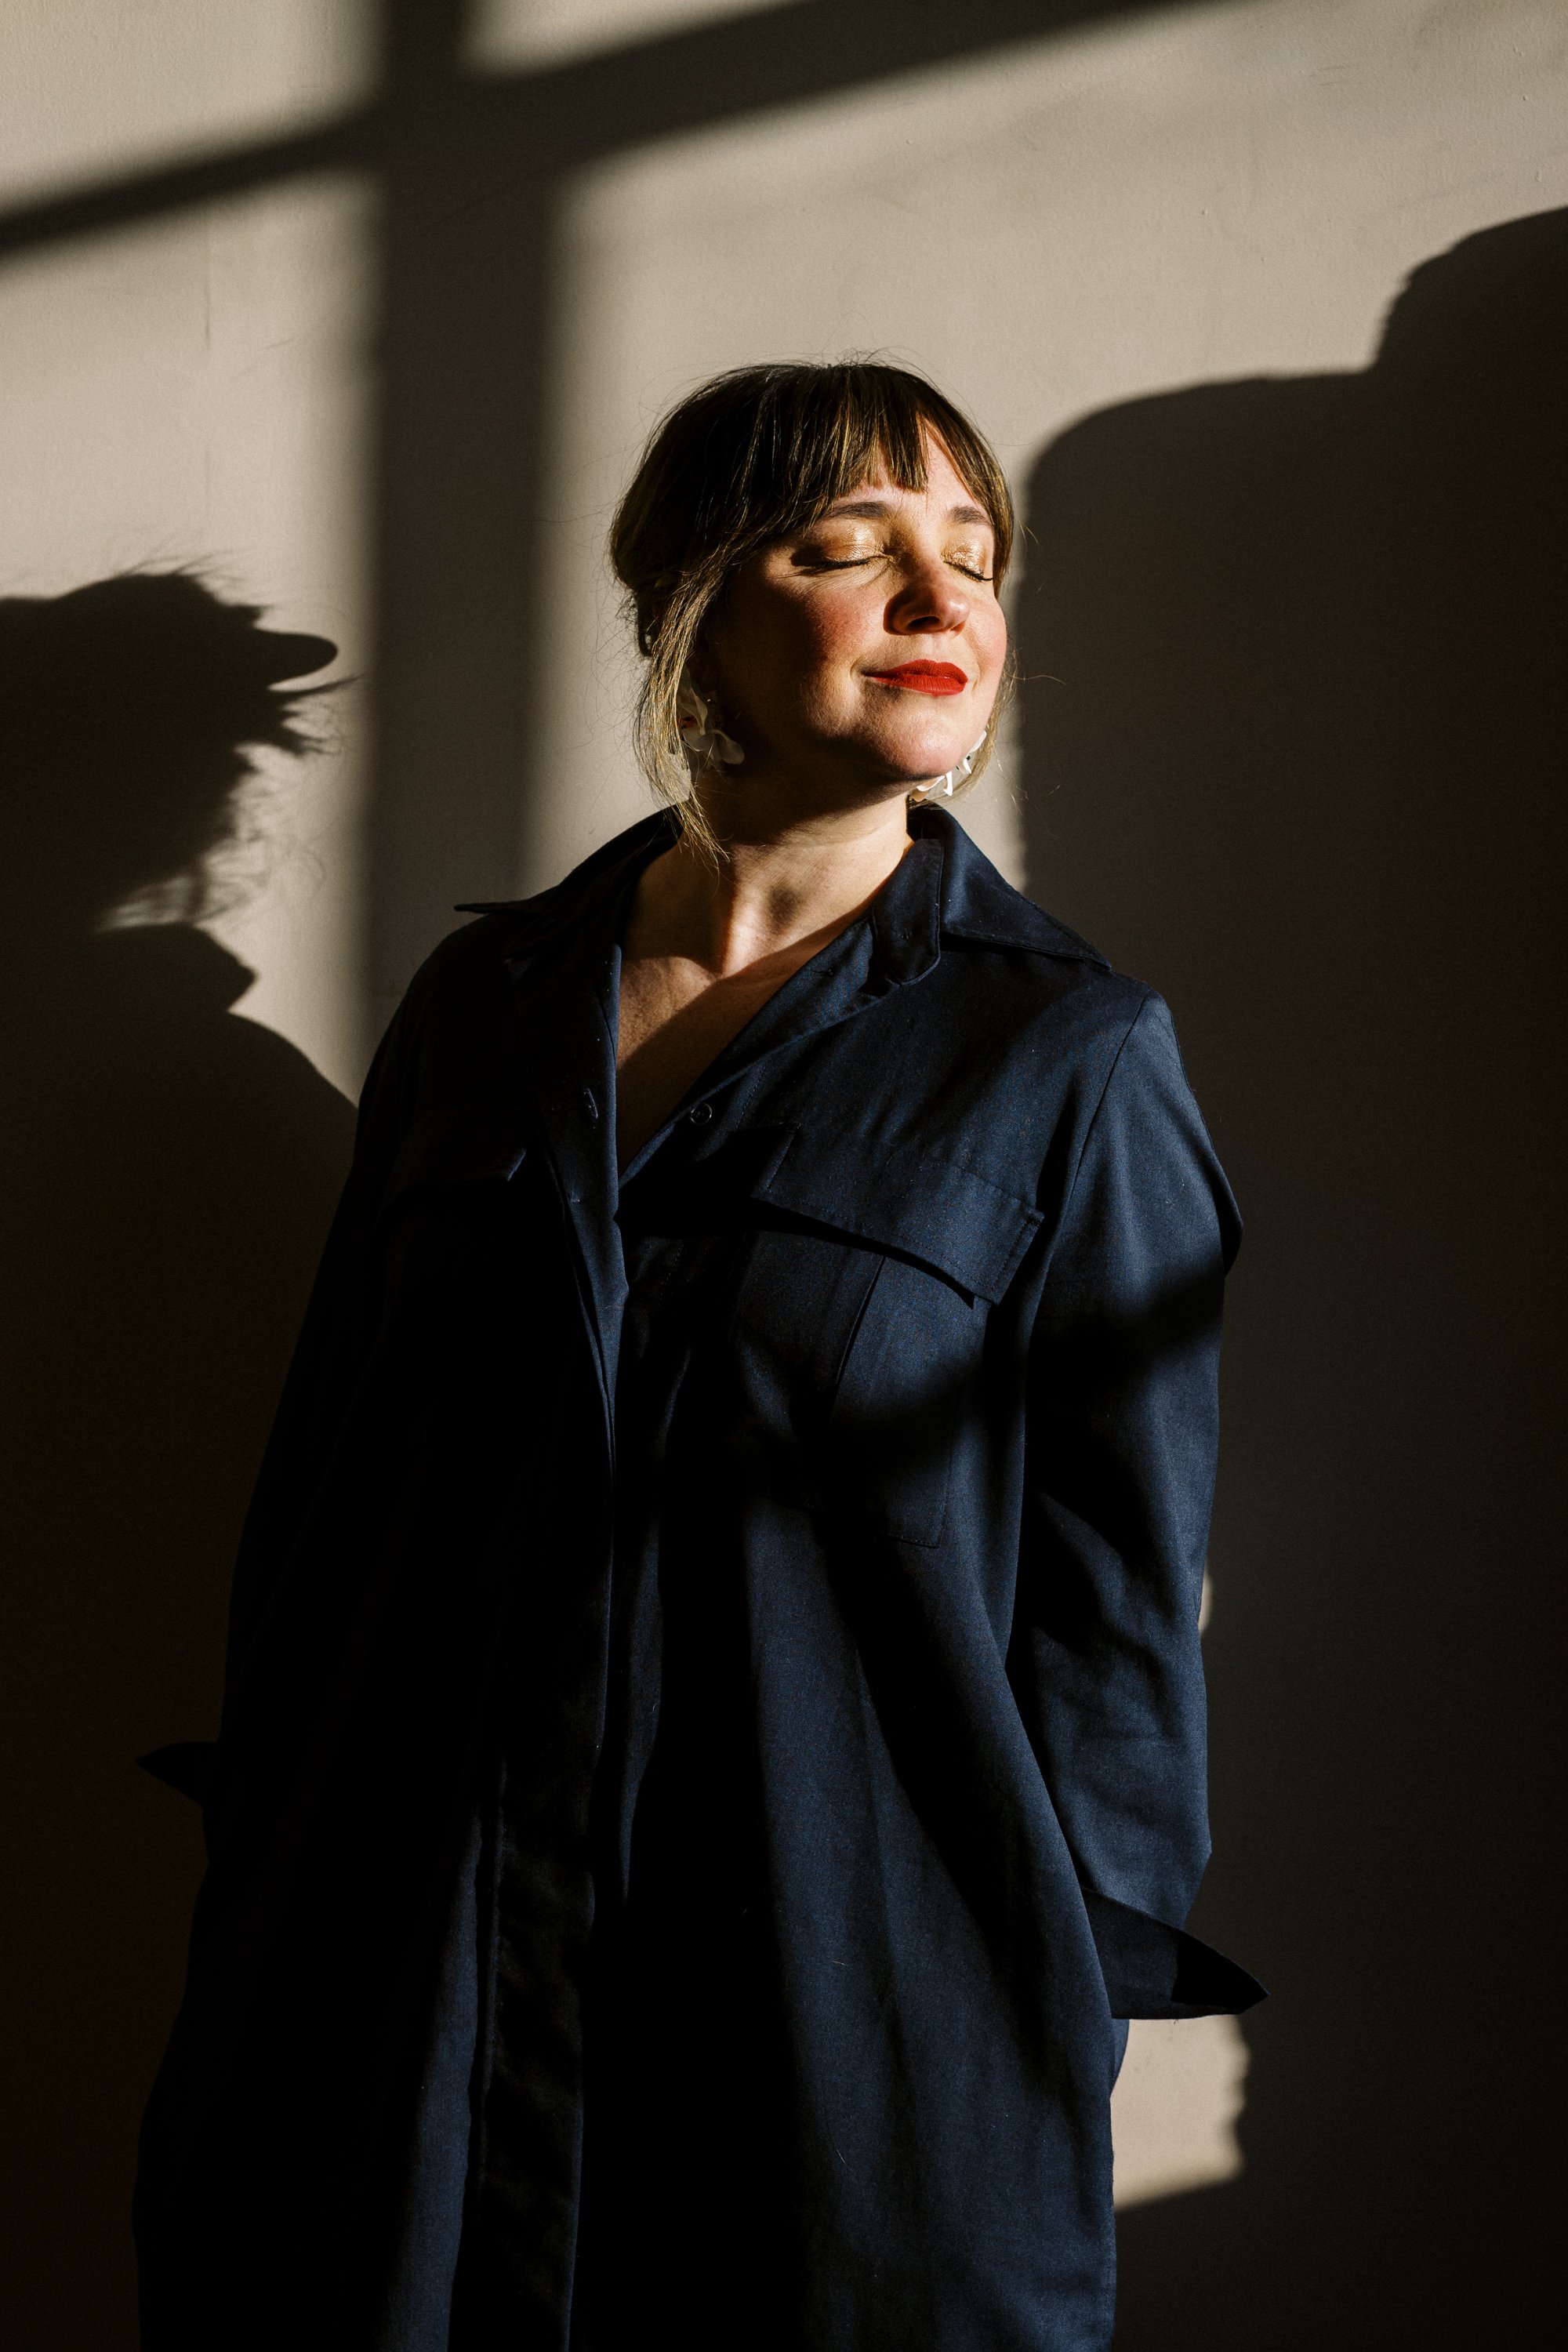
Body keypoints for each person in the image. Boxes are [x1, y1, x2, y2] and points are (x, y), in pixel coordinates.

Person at [136, 362, 1261, 2352]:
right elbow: (321, 1500)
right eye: (851, 549)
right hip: (410, 1991)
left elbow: (1115, 1634)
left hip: (847, 2029)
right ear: (694, 617)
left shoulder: (1069, 1060)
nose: (942, 602)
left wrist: (1025, 2014)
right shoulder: (488, 1008)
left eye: (973, 557)